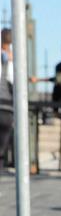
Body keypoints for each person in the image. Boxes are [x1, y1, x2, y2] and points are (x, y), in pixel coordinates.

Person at [0, 29, 13, 171]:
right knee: (2, 148)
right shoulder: (11, 59)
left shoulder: (8, 58)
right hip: (7, 106)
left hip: (5, 106)